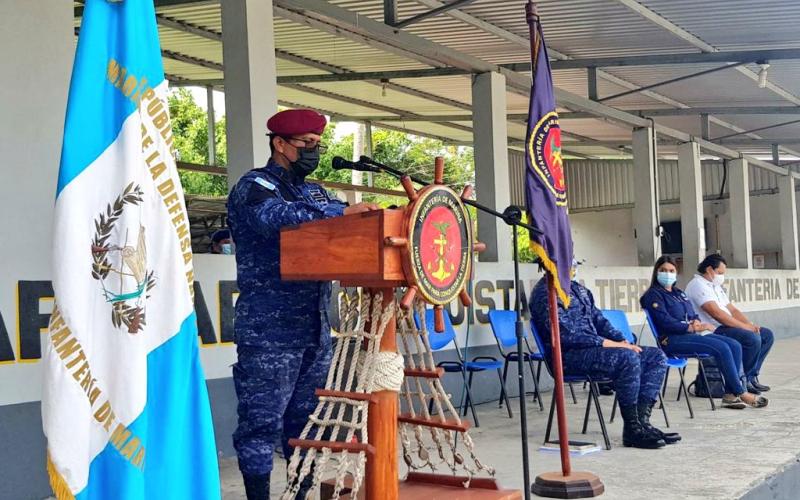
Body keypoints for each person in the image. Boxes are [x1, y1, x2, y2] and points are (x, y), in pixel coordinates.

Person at [227, 108, 379, 500]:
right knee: (261, 425)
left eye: (317, 144)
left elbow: (340, 228)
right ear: (279, 144)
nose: (314, 151)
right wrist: (338, 212)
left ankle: (299, 493)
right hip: (269, 332)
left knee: (307, 424)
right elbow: (275, 218)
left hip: (314, 329)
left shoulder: (315, 192)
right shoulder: (255, 186)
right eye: (306, 144)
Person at [530, 268, 677, 449]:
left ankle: (642, 423)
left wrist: (621, 339)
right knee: (627, 358)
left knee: (655, 357)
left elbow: (599, 320)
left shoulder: (578, 289)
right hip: (569, 357)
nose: (572, 264)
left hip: (596, 351)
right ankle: (632, 430)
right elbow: (566, 336)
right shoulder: (545, 293)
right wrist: (611, 344)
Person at [641, 256, 767, 409]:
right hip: (671, 340)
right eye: (663, 270)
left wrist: (695, 321)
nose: (667, 274)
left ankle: (729, 395)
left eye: (671, 270)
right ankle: (740, 392)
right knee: (722, 347)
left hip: (690, 336)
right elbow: (665, 322)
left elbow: (692, 313)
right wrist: (691, 328)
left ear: (676, 272)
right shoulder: (653, 295)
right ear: (656, 272)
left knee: (734, 344)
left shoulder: (678, 293)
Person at [685, 254, 774, 395]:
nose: (721, 276)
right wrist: (745, 328)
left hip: (725, 326)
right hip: (712, 330)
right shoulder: (697, 285)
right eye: (720, 273)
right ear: (709, 269)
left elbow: (732, 309)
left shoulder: (716, 286)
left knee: (766, 335)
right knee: (752, 339)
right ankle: (740, 381)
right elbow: (717, 314)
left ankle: (749, 378)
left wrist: (750, 324)